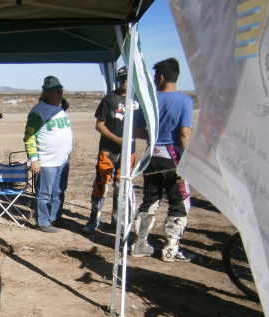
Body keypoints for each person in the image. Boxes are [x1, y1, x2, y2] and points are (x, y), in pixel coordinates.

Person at [132, 58, 193, 262]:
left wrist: (154, 136)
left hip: (152, 156)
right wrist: (187, 162)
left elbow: (138, 131)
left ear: (160, 77)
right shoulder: (185, 101)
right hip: (174, 157)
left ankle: (140, 243)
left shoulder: (149, 101)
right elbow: (184, 133)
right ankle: (171, 249)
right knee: (179, 203)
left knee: (150, 200)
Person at [82, 66, 139, 234]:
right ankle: (94, 218)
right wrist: (117, 140)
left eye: (128, 78)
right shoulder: (109, 99)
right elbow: (99, 125)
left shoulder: (138, 99)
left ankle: (117, 219)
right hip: (108, 149)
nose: (125, 81)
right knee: (101, 183)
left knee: (122, 185)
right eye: (122, 78)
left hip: (129, 151)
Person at [24, 76, 73, 233]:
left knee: (59, 191)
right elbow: (29, 136)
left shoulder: (60, 108)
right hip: (46, 161)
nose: (60, 94)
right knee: (44, 193)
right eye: (57, 91)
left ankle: (55, 218)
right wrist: (34, 159)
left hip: (62, 159)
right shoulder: (38, 111)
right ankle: (43, 222)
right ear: (46, 93)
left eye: (61, 90)